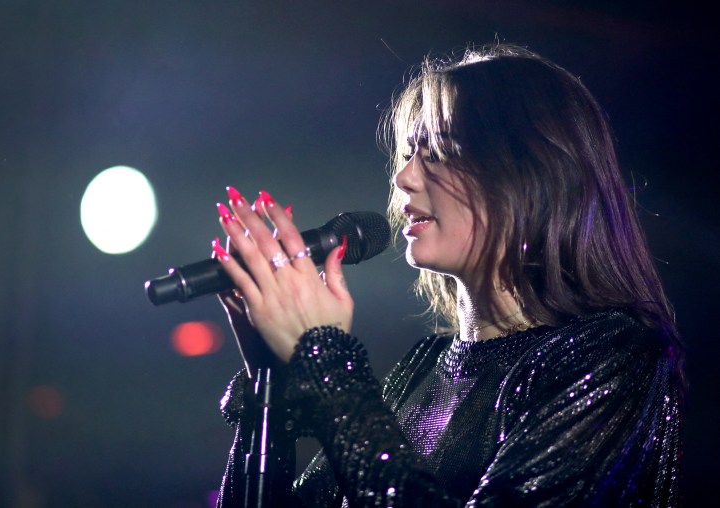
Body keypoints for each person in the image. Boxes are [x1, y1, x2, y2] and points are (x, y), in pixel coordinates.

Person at [211, 44, 684, 507]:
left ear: (530, 175)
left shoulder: (613, 358)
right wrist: (269, 376)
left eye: (438, 151)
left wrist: (328, 358)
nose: (403, 178)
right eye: (408, 153)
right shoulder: (427, 363)